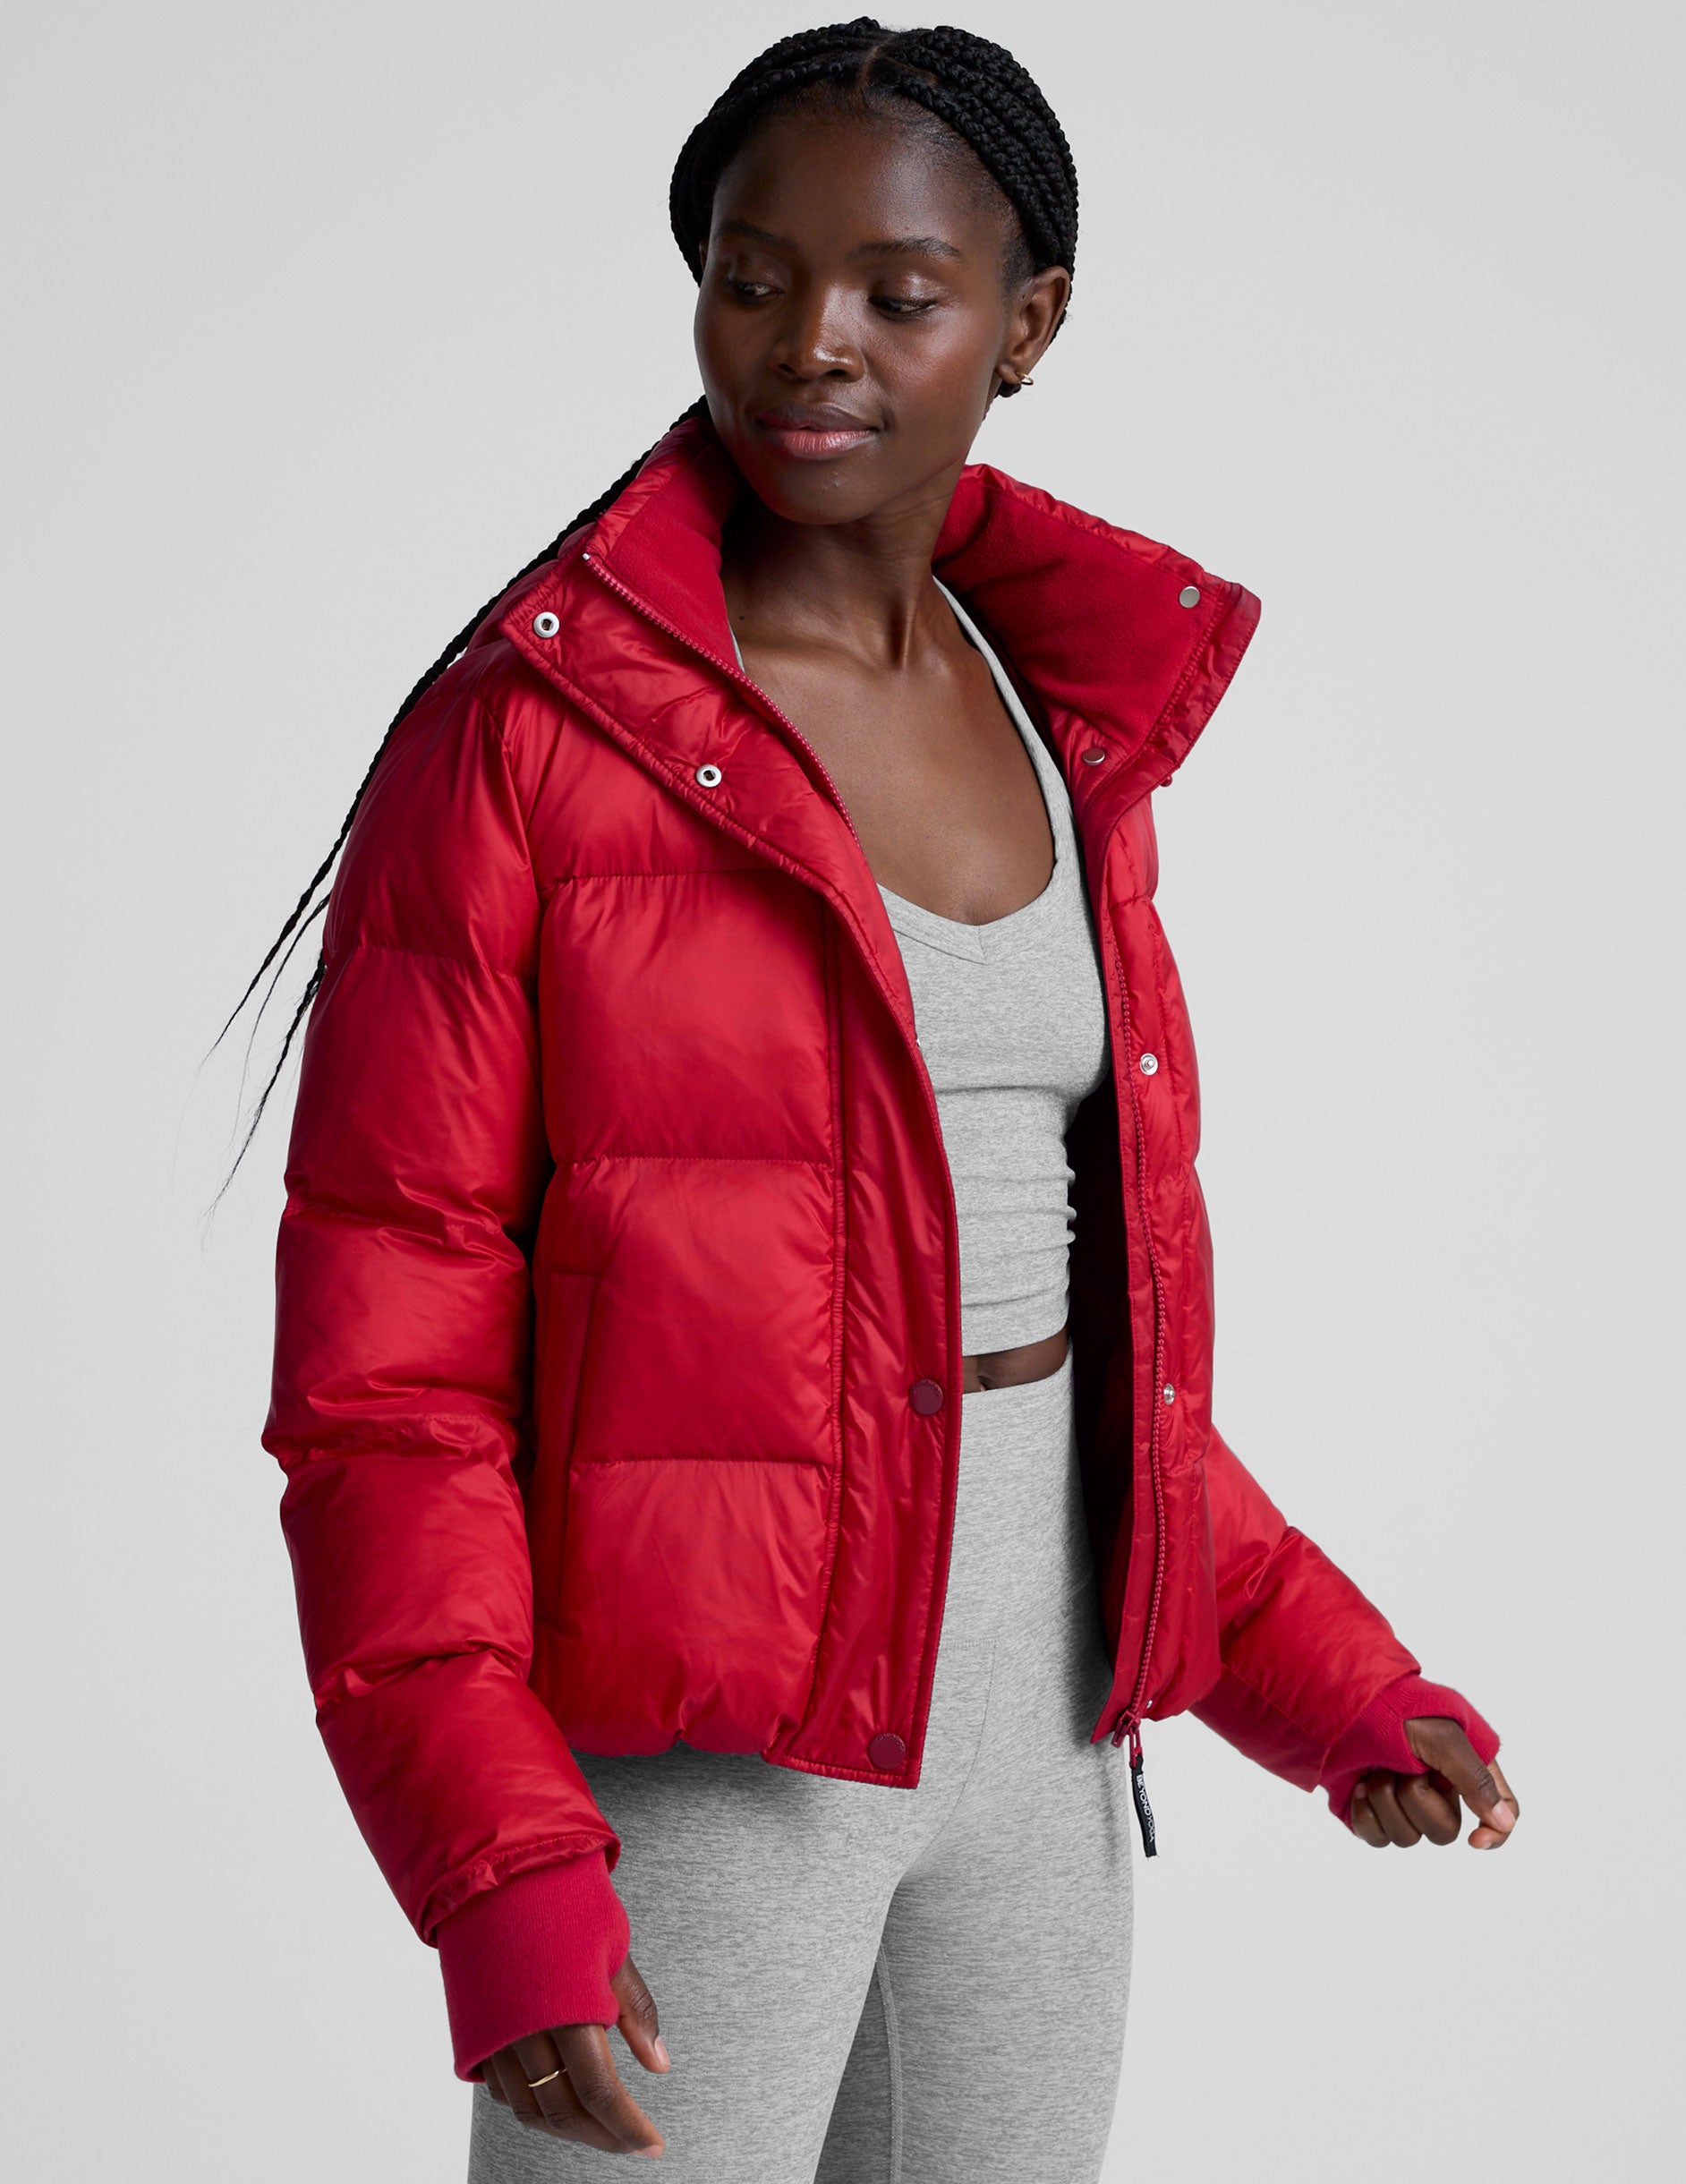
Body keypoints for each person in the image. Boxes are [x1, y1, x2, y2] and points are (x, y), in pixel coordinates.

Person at [244, 20, 1519, 2181]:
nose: (809, 342)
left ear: (1029, 324)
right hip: (708, 1769)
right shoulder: (531, 741)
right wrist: (495, 1860)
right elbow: (388, 1381)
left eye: (897, 292)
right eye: (752, 278)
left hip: (1043, 1764)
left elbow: (1060, 1340)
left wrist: (1331, 1677)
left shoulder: (1064, 723)